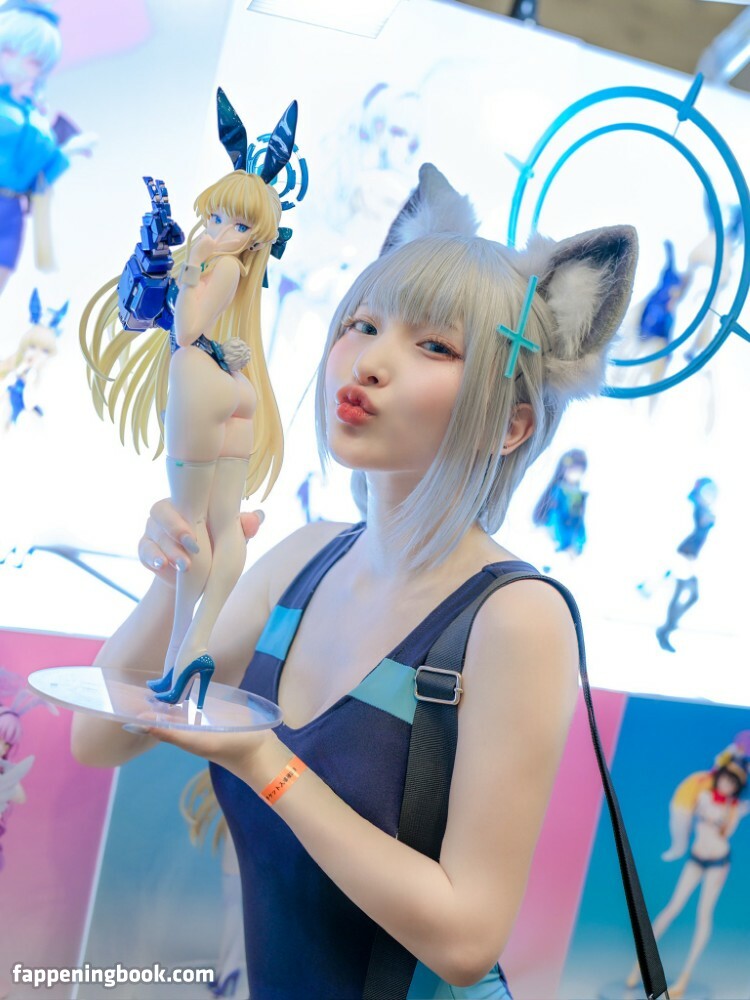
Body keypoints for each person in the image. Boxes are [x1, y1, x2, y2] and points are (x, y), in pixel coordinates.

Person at [72, 162, 638, 997]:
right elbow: (102, 737)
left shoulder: (516, 618)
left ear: (512, 424)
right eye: (363, 324)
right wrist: (180, 570)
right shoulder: (303, 559)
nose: (369, 362)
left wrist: (265, 761)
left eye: (435, 346)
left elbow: (467, 939)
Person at [79, 91, 292, 707]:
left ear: (256, 238)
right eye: (216, 217)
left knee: (194, 525)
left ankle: (181, 647)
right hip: (231, 384)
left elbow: (189, 328)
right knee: (222, 525)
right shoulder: (235, 270)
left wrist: (192, 261)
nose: (221, 230)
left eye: (238, 226)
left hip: (200, 375)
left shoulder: (218, 266)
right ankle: (196, 642)